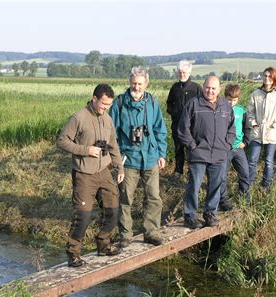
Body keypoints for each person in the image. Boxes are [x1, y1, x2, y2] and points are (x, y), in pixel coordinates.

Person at [57, 83, 125, 267]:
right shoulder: (78, 117)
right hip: (83, 174)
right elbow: (62, 141)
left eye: (109, 105)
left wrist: (119, 168)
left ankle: (104, 245)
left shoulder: (108, 119)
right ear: (94, 99)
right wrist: (86, 150)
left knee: (113, 210)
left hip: (104, 171)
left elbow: (113, 146)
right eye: (103, 104)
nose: (105, 108)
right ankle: (73, 253)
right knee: (83, 216)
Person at [109, 66, 167, 247]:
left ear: (146, 83)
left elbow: (160, 129)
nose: (136, 87)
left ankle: (151, 233)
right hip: (129, 160)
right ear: (129, 82)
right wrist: (117, 160)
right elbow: (112, 135)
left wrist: (161, 154)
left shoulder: (152, 102)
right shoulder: (119, 103)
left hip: (150, 158)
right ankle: (125, 235)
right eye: (134, 83)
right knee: (125, 199)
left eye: (140, 84)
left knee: (154, 197)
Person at [178, 76, 236, 228]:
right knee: (194, 185)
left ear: (219, 89)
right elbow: (183, 129)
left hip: (219, 154)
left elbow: (232, 128)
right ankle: (190, 215)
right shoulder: (194, 104)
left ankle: (210, 213)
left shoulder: (225, 105)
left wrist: (227, 145)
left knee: (216, 185)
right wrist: (192, 146)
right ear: (203, 87)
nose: (210, 91)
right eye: (207, 87)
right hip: (198, 154)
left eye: (213, 88)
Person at [247, 67, 276, 192]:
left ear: (274, 78)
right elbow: (250, 111)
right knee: (252, 160)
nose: (267, 78)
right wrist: (253, 123)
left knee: (269, 161)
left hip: (272, 133)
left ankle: (266, 186)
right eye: (265, 76)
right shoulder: (256, 94)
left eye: (270, 76)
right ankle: (249, 184)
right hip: (257, 132)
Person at [166, 60, 202, 179]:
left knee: (192, 149)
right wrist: (173, 112)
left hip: (192, 126)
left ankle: (192, 172)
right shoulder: (175, 87)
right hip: (177, 125)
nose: (182, 74)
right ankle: (178, 170)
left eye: (184, 72)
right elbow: (169, 103)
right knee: (178, 149)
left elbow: (202, 105)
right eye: (180, 72)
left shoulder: (196, 88)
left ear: (189, 72)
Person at [219, 84, 251, 210]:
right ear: (225, 97)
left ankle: (245, 198)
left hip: (238, 148)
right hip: (225, 149)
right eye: (229, 99)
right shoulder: (220, 109)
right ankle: (223, 201)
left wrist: (245, 142)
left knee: (245, 173)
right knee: (222, 176)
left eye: (234, 100)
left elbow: (247, 127)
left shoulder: (241, 111)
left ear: (238, 99)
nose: (231, 102)